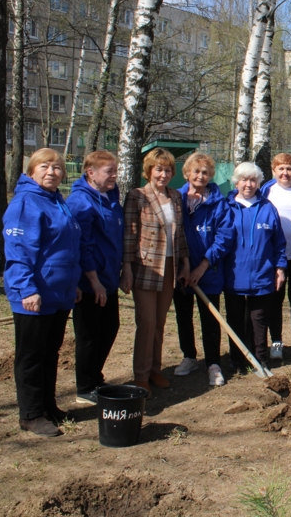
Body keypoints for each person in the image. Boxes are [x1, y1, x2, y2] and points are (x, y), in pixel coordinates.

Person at [4, 148, 82, 437]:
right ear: (31, 171)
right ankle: (31, 414)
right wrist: (27, 288)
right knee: (31, 355)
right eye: (45, 167)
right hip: (33, 296)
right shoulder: (26, 203)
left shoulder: (56, 201)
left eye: (57, 167)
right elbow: (19, 251)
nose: (52, 172)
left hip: (58, 294)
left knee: (50, 352)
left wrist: (71, 284)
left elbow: (66, 248)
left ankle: (48, 406)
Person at [122, 148, 191, 397]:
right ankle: (140, 376)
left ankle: (155, 370)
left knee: (160, 322)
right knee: (147, 323)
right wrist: (127, 269)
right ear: (149, 170)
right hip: (146, 267)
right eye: (158, 169)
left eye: (168, 169)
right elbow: (129, 235)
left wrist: (185, 263)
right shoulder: (137, 196)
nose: (163, 174)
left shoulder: (175, 196)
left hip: (170, 267)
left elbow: (180, 233)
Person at [66, 150, 123, 406]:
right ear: (91, 173)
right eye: (108, 171)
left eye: (115, 170)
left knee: (109, 327)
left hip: (108, 276)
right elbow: (83, 245)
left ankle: (95, 377)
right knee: (89, 334)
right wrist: (93, 280)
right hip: (90, 282)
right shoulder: (80, 202)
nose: (114, 175)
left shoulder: (111, 195)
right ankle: (85, 387)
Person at [172, 152, 233, 386]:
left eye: (205, 172)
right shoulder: (175, 199)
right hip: (181, 271)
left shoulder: (219, 202)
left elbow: (224, 236)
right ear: (187, 173)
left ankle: (213, 363)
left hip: (209, 270)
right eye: (196, 171)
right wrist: (184, 267)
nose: (200, 175)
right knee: (183, 316)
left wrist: (204, 265)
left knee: (210, 318)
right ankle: (189, 356)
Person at [224, 162, 287, 372]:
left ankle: (259, 357)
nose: (248, 184)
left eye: (253, 180)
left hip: (262, 274)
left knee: (259, 319)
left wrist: (280, 268)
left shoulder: (268, 208)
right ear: (237, 182)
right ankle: (237, 359)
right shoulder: (227, 207)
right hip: (234, 275)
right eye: (244, 180)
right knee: (235, 318)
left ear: (259, 182)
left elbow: (279, 242)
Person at [262, 153, 291, 355]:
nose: (285, 173)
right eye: (281, 168)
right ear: (274, 170)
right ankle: (276, 340)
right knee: (275, 299)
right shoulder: (266, 191)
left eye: (289, 168)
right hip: (275, 256)